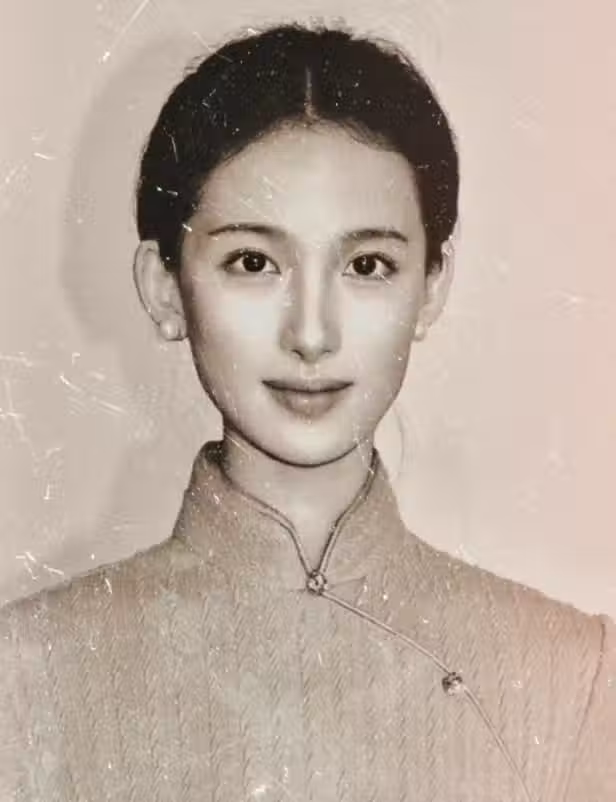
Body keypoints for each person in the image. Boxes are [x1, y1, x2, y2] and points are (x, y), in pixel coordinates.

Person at [1, 22, 614, 802]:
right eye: (253, 262)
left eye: (368, 265)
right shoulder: (25, 676)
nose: (312, 334)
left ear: (431, 286)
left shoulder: (574, 676)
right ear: (165, 287)